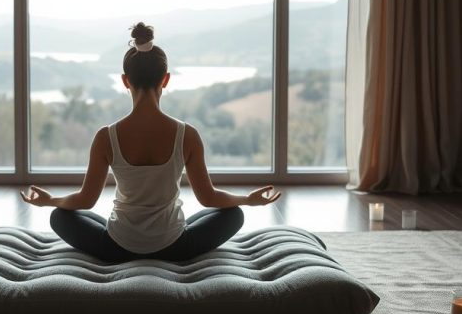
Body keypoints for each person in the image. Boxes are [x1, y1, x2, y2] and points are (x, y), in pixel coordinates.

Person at [20, 22, 281, 262]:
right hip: (175, 246)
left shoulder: (106, 137)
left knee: (60, 216)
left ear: (125, 81)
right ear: (165, 79)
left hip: (117, 246)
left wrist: (50, 201)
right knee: (233, 214)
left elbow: (85, 200)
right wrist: (248, 199)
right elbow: (208, 197)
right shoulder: (187, 135)